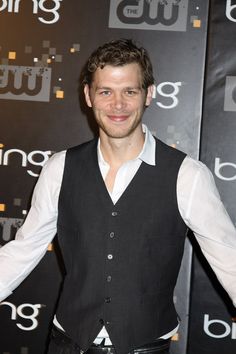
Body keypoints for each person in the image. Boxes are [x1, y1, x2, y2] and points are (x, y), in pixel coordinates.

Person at [0, 39, 236, 354]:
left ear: (149, 93)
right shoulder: (60, 168)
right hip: (66, 344)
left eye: (130, 91)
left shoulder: (187, 176)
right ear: (88, 95)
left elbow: (229, 260)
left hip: (145, 348)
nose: (118, 105)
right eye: (106, 91)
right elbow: (23, 250)